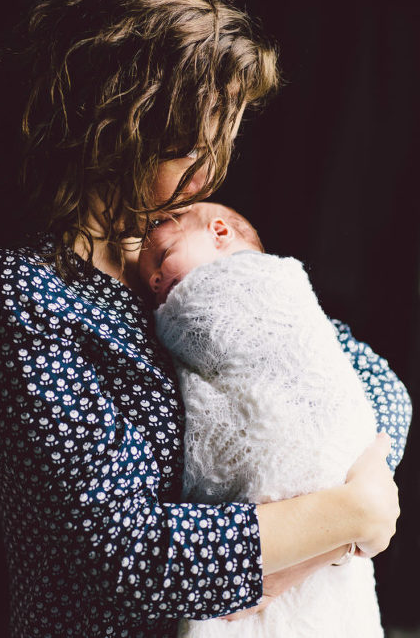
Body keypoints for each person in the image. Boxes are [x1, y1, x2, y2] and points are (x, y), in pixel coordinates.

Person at [0, 0, 407, 638]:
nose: (208, 177)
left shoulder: (184, 256)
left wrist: (361, 495)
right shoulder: (18, 292)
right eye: (191, 149)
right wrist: (349, 520)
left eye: (220, 148)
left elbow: (369, 380)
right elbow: (116, 552)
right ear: (110, 131)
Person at [138, 202, 411, 636]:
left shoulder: (271, 288)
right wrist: (342, 524)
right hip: (230, 556)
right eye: (148, 279)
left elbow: (381, 389)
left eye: (164, 253)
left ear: (220, 233)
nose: (152, 279)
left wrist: (355, 501)